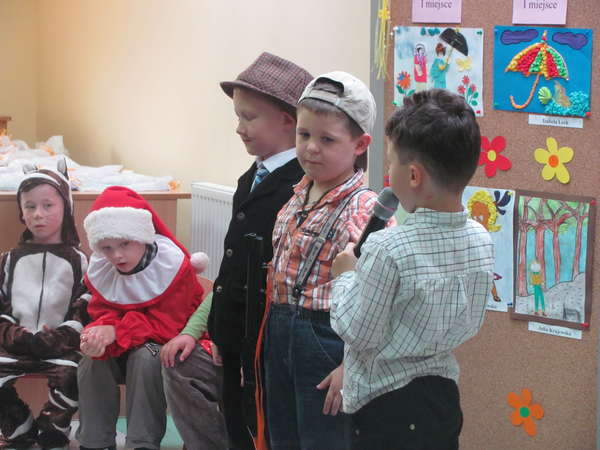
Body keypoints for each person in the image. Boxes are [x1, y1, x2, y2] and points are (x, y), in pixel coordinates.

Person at [330, 88, 495, 450]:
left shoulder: (388, 248)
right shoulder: (482, 239)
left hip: (384, 409)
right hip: (442, 399)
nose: (388, 172)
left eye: (391, 163)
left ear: (415, 176)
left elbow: (360, 333)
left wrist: (345, 276)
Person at [262, 71, 382, 450]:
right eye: (304, 135)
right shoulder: (296, 195)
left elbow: (380, 298)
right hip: (280, 333)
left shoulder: (364, 209)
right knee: (282, 438)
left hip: (329, 343)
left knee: (323, 441)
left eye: (327, 139)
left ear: (360, 144)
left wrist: (353, 365)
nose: (311, 148)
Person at [207, 51, 312, 450]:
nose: (239, 128)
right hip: (236, 333)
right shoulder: (250, 177)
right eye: (238, 117)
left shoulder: (301, 185)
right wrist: (219, 327)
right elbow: (232, 260)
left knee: (262, 427)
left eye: (249, 117)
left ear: (288, 121)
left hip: (266, 337)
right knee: (235, 421)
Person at [76, 186, 206, 450]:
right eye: (107, 248)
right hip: (125, 344)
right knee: (91, 362)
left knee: (147, 358)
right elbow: (102, 311)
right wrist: (97, 335)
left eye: (125, 244)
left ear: (142, 236)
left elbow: (169, 325)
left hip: (166, 345)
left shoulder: (172, 266)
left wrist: (116, 331)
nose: (117, 255)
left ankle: (142, 443)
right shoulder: (104, 268)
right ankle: (94, 442)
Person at [0, 165, 88, 449]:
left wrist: (61, 335)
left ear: (66, 208)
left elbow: (83, 306)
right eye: (30, 206)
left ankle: (53, 428)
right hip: (15, 345)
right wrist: (13, 333)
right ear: (21, 211)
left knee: (75, 375)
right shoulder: (9, 260)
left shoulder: (78, 260)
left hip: (60, 347)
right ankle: (18, 426)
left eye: (48, 205)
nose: (38, 214)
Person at [160, 284, 227, 449]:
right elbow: (219, 294)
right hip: (226, 351)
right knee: (177, 359)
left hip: (267, 354)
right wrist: (189, 333)